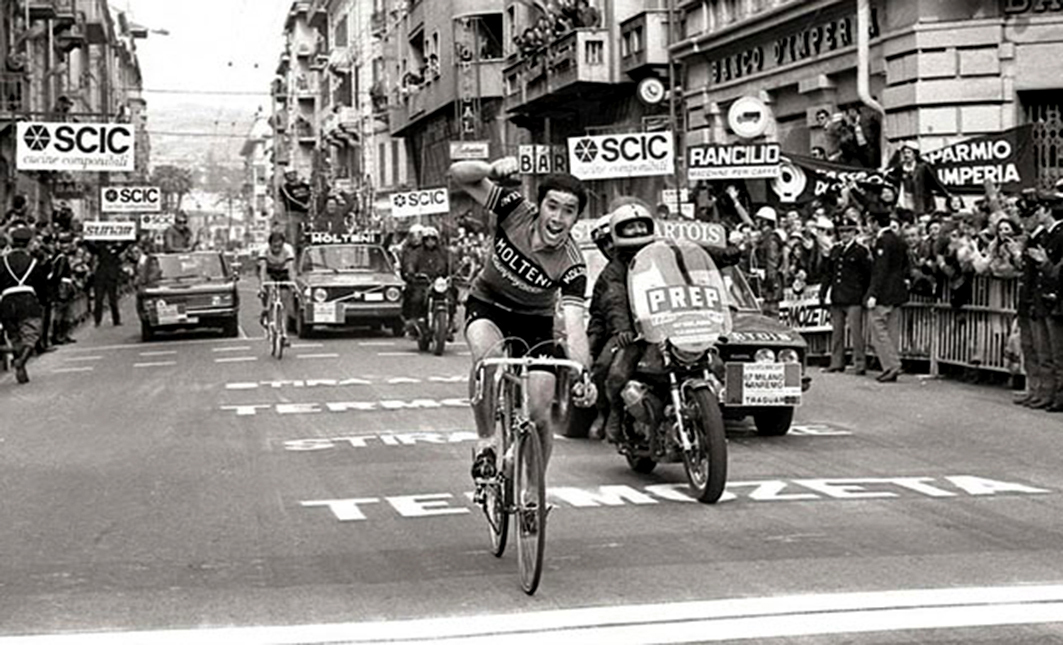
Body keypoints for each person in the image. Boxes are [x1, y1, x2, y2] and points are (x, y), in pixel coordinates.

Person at [448, 156, 596, 482]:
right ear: (538, 206)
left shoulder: (572, 264)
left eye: (568, 211)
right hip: (489, 304)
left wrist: (585, 376)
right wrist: (489, 171)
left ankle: (533, 490)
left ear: (575, 219)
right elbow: (458, 175)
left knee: (540, 412)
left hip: (534, 322)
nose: (557, 217)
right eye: (552, 206)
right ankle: (487, 442)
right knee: (490, 361)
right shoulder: (515, 208)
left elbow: (574, 327)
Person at [599, 200, 657, 443]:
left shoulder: (662, 254)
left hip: (667, 323)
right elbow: (615, 298)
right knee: (613, 372)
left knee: (712, 359)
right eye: (630, 228)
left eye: (640, 226)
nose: (637, 232)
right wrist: (621, 326)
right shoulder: (614, 269)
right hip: (635, 330)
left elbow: (690, 256)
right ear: (618, 231)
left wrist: (726, 254)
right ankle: (612, 412)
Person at [1016, 200, 1056, 409]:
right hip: (1028, 300)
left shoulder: (1043, 237)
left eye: (1028, 215)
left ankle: (1046, 391)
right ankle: (1034, 389)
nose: (1024, 220)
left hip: (1039, 299)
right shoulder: (1032, 238)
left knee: (1044, 352)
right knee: (1030, 349)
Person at [820, 217, 872, 375]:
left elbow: (867, 275)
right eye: (842, 231)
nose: (845, 234)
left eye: (848, 231)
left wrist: (866, 295)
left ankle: (860, 363)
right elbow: (829, 274)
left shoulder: (860, 251)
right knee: (837, 332)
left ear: (854, 232)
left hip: (854, 296)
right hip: (838, 295)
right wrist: (823, 292)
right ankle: (836, 362)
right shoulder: (835, 250)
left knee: (856, 333)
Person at [0, 227, 50, 383]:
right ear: (28, 244)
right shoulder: (33, 263)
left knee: (14, 336)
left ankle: (19, 364)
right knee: (32, 334)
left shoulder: (2, 261)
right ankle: (21, 362)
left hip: (7, 302)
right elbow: (41, 285)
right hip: (28, 301)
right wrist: (43, 300)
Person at [866, 213, 910, 382]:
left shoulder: (883, 241)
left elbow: (880, 270)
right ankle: (890, 366)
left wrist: (873, 294)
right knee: (892, 332)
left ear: (875, 223)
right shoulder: (899, 240)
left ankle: (892, 365)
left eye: (870, 223)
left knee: (879, 331)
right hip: (897, 292)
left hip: (884, 293)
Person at [1029, 198, 1063, 412]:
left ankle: (1059, 395)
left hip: (1056, 298)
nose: (1036, 214)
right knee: (1045, 352)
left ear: (1048, 210)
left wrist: (1044, 262)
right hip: (1045, 298)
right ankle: (1047, 393)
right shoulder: (1044, 235)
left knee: (1058, 354)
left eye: (1039, 210)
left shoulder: (1060, 235)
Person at [586, 214, 615, 440]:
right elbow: (596, 315)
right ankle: (606, 413)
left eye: (611, 240)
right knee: (603, 367)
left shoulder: (655, 262)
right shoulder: (604, 278)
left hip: (659, 329)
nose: (610, 247)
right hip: (620, 335)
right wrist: (591, 346)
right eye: (604, 244)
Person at [408, 226, 456, 337]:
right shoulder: (417, 252)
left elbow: (452, 263)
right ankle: (416, 321)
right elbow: (411, 262)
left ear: (436, 240)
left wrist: (455, 272)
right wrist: (411, 271)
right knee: (417, 298)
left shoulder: (444, 252)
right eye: (427, 239)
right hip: (423, 282)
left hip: (440, 282)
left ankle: (450, 321)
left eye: (433, 239)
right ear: (423, 240)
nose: (430, 241)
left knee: (452, 297)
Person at [256, 231, 296, 335]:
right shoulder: (264, 250)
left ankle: (283, 331)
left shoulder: (288, 249)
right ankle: (267, 312)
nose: (277, 249)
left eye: (279, 246)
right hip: (269, 270)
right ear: (270, 245)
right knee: (268, 291)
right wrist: (262, 286)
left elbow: (291, 269)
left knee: (284, 299)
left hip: (282, 270)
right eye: (274, 247)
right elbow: (263, 269)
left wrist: (293, 284)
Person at [86, 239, 129, 327]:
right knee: (99, 300)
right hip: (100, 277)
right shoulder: (100, 248)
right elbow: (91, 247)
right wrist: (86, 239)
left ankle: (116, 320)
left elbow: (125, 245)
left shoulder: (116, 248)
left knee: (113, 300)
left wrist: (133, 236)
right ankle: (97, 321)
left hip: (111, 277)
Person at [753, 206, 785, 319]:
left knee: (771, 316)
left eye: (758, 219)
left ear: (764, 221)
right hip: (764, 284)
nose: (755, 222)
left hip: (769, 287)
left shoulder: (771, 239)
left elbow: (772, 263)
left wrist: (769, 285)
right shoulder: (764, 238)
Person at [399, 224, 425, 333]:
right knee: (410, 296)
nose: (416, 237)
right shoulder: (407, 250)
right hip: (415, 280)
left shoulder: (437, 249)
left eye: (419, 234)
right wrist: (409, 273)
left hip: (434, 280)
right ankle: (411, 321)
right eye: (413, 235)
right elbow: (408, 263)